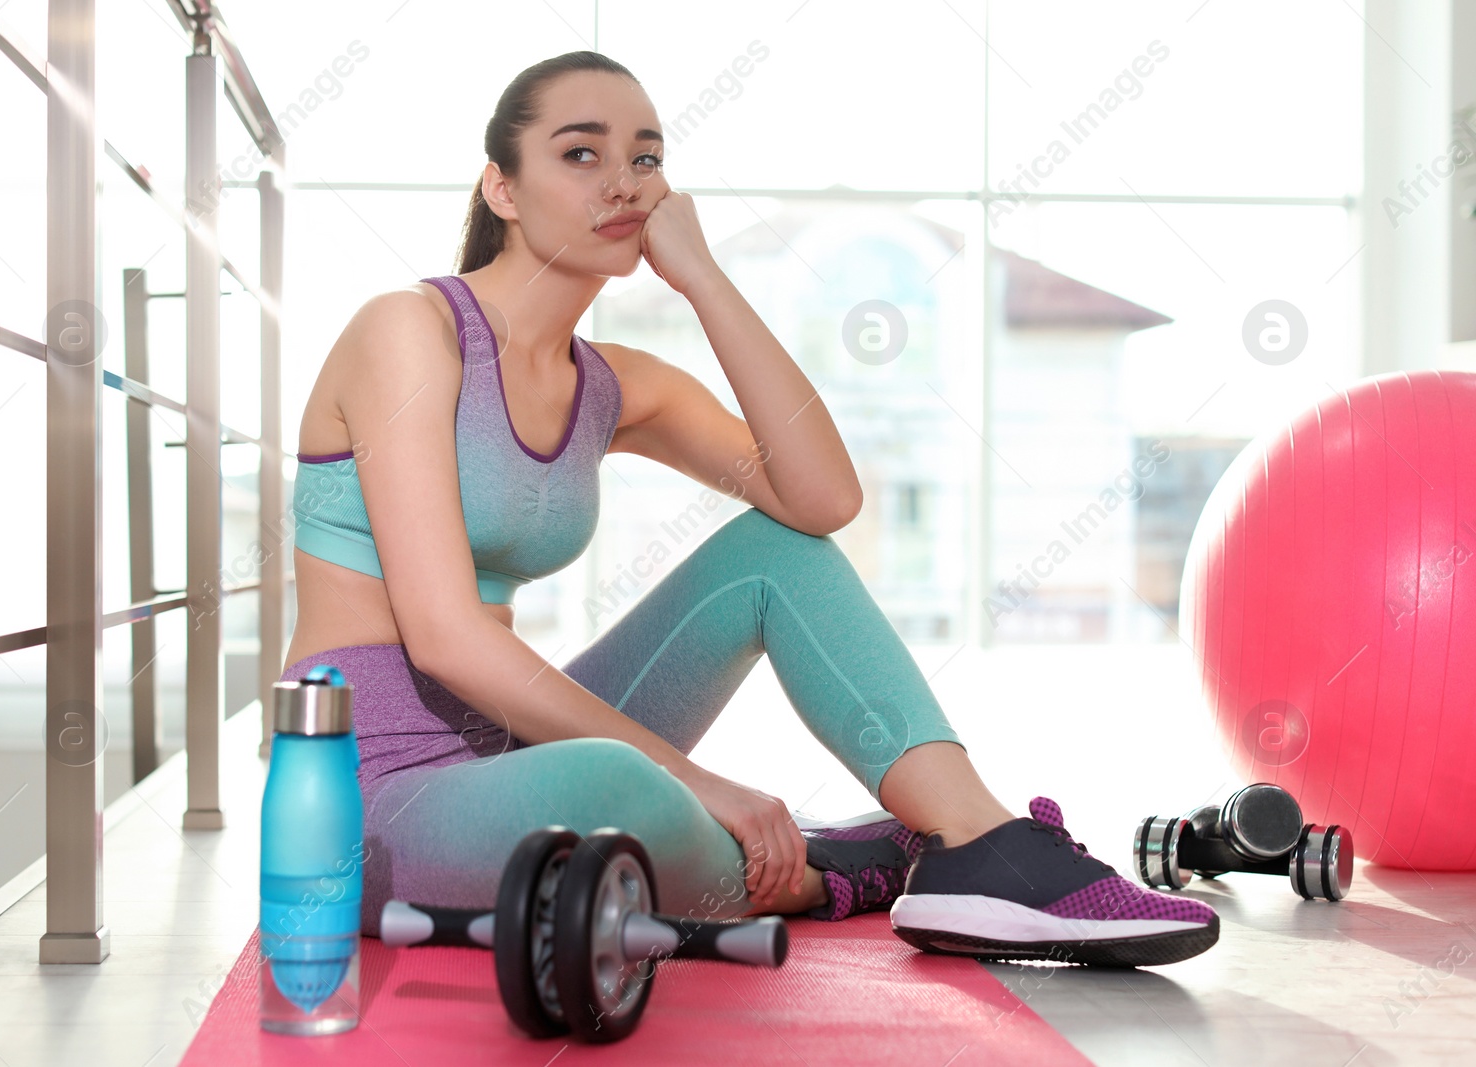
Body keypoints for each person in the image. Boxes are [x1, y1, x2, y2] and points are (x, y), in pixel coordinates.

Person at [280, 50, 1217, 967]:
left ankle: (977, 840)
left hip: (508, 754)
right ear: (503, 188)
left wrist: (705, 279)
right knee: (620, 788)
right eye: (581, 153)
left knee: (774, 554)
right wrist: (701, 784)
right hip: (367, 795)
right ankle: (831, 869)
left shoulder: (611, 385)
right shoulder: (408, 330)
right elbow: (444, 636)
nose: (623, 183)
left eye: (645, 158)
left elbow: (820, 500)